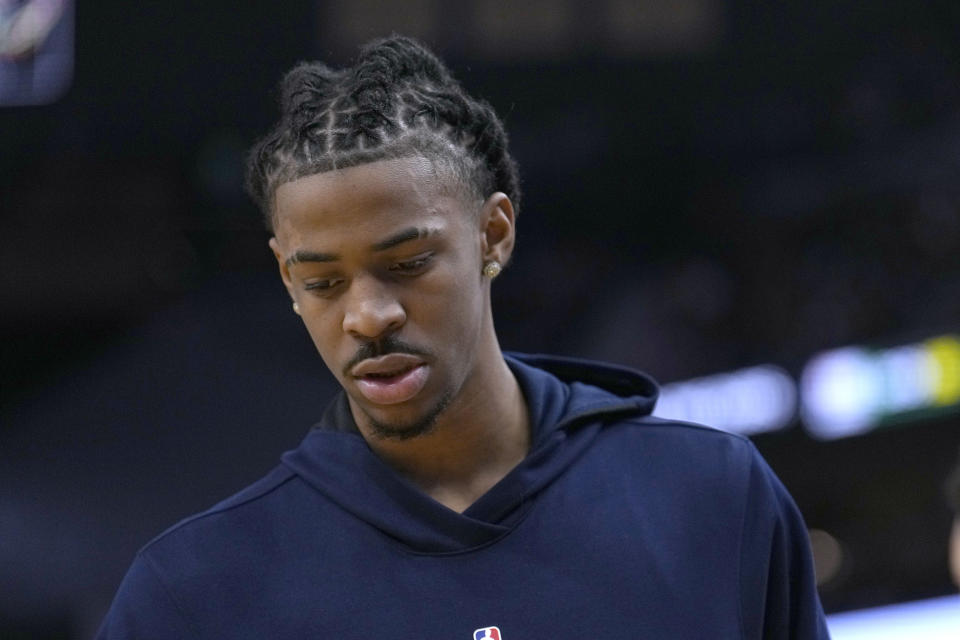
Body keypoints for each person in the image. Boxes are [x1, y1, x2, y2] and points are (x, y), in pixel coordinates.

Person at [97, 35, 830, 638]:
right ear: (286, 281)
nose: (368, 315)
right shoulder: (191, 597)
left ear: (494, 234)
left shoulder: (712, 499)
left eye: (408, 264)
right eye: (322, 282)